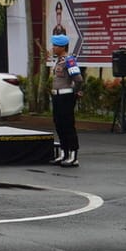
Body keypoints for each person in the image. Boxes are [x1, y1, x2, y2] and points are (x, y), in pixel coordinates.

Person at [48, 34, 82, 167]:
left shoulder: (69, 60)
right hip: (57, 96)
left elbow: (78, 79)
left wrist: (75, 92)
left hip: (66, 96)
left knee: (68, 125)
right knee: (59, 124)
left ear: (62, 47)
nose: (53, 48)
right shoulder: (58, 61)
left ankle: (73, 156)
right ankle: (64, 153)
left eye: (55, 45)